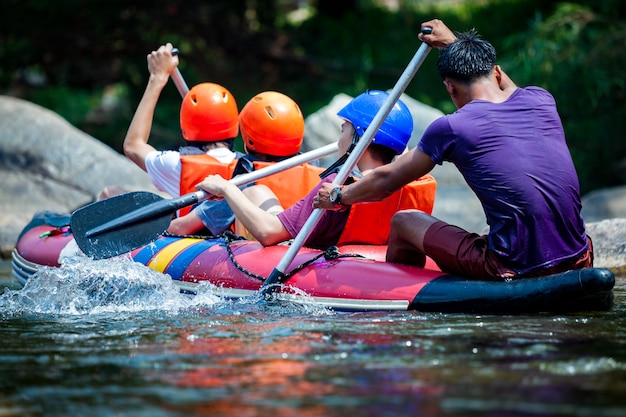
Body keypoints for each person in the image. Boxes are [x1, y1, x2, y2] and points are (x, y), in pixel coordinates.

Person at [314, 19, 593, 280]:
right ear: (496, 72)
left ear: (450, 88)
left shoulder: (452, 127)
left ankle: (399, 306)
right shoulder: (541, 100)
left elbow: (386, 181)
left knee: (403, 221)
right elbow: (499, 79)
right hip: (580, 257)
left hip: (512, 266)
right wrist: (453, 43)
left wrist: (339, 195)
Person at [194, 90, 437, 248]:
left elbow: (268, 232)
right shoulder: (406, 183)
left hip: (315, 262)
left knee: (246, 193)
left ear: (360, 140)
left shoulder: (337, 187)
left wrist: (226, 188)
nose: (340, 135)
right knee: (256, 193)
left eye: (344, 128)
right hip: (373, 260)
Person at [168, 90, 326, 235]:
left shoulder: (246, 181)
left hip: (266, 255)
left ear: (248, 141)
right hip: (309, 252)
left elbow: (182, 228)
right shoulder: (320, 176)